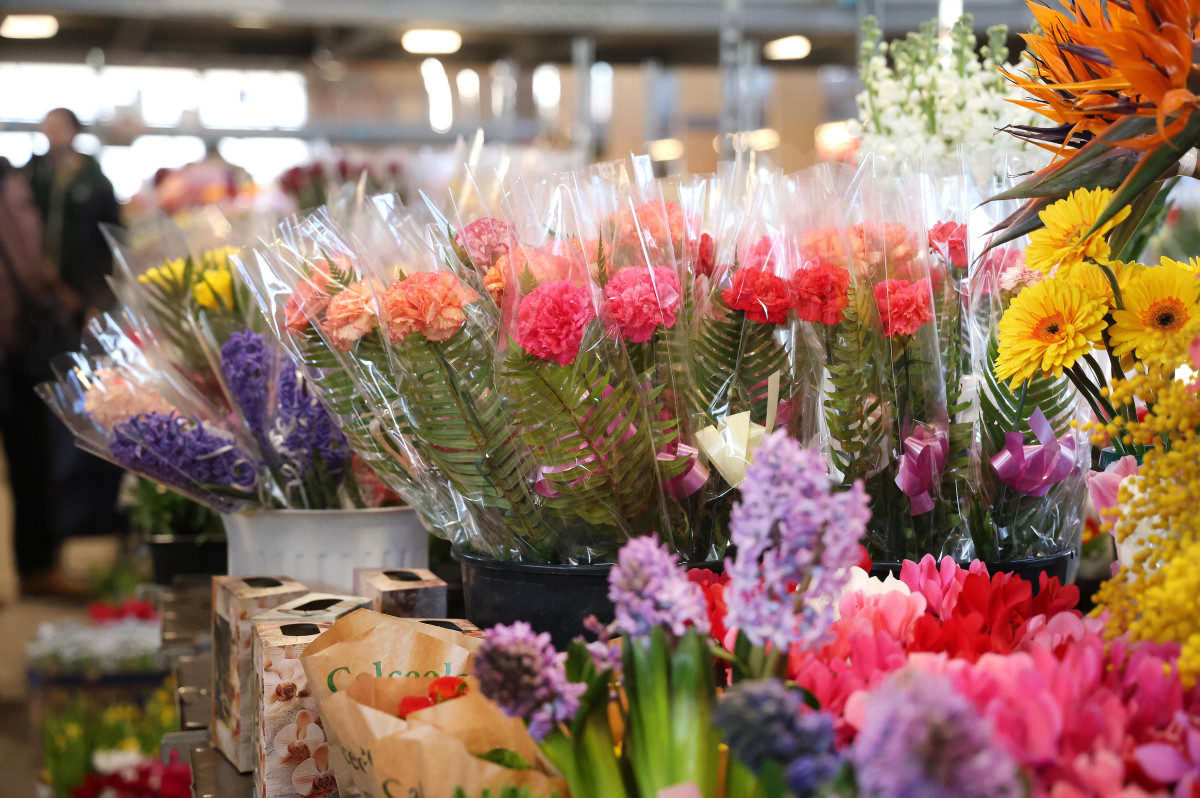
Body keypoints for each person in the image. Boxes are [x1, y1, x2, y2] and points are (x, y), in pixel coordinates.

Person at [23, 108, 127, 592]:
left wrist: (95, 302)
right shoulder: (33, 177)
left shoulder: (95, 181)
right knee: (45, 418)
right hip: (38, 308)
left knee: (81, 408)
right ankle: (59, 527)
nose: (51, 134)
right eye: (47, 127)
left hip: (79, 308)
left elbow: (110, 242)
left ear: (74, 132)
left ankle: (84, 520)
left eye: (59, 126)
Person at [0, 155, 72, 596]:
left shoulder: (13, 176)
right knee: (31, 457)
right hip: (17, 338)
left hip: (21, 341)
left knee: (32, 457)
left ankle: (38, 567)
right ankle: (37, 566)